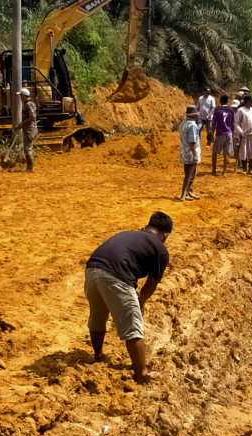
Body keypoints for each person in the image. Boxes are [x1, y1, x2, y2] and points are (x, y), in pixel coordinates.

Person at [84, 212, 173, 385]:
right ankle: (142, 374)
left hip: (91, 270)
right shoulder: (160, 250)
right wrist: (140, 302)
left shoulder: (128, 233)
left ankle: (97, 356)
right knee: (133, 326)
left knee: (97, 316)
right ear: (166, 234)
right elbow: (150, 286)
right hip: (116, 275)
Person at [178, 105, 201, 201]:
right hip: (191, 153)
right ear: (194, 115)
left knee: (190, 173)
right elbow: (192, 142)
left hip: (184, 152)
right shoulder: (192, 125)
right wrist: (195, 155)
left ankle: (190, 192)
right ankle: (184, 195)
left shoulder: (183, 123)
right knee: (189, 175)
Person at [234, 95, 252, 174]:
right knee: (244, 152)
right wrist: (240, 131)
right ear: (246, 101)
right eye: (250, 101)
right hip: (244, 135)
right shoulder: (240, 110)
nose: (251, 102)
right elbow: (236, 123)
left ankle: (251, 169)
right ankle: (244, 169)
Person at [211, 94, 235, 176]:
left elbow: (214, 123)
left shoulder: (217, 110)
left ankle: (214, 170)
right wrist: (233, 133)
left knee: (215, 152)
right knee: (226, 153)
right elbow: (233, 123)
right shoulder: (231, 110)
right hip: (229, 133)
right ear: (227, 101)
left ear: (220, 101)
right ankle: (224, 171)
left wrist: (211, 133)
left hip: (220, 133)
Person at [15, 88, 37, 172]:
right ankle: (29, 168)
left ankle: (30, 168)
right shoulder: (30, 103)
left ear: (23, 96)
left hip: (29, 130)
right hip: (30, 129)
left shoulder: (28, 105)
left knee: (28, 149)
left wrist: (21, 123)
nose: (20, 97)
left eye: (20, 95)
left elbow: (32, 117)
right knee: (28, 148)